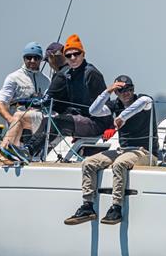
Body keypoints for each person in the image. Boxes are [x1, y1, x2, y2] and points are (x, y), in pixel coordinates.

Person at [64, 75, 158, 225]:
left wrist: (122, 117)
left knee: (119, 164)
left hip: (145, 152)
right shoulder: (115, 104)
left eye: (129, 89)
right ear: (116, 93)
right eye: (121, 90)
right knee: (89, 162)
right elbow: (93, 111)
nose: (126, 93)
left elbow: (145, 102)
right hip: (123, 150)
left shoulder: (143, 100)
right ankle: (88, 206)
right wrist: (107, 91)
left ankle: (116, 208)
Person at [11, 34, 110, 161]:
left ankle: (28, 151)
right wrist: (25, 103)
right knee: (48, 120)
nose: (73, 58)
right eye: (69, 55)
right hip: (77, 118)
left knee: (57, 121)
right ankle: (25, 150)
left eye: (76, 54)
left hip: (95, 122)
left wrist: (111, 126)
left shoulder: (91, 73)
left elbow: (106, 102)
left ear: (83, 54)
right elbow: (53, 102)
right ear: (65, 57)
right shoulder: (68, 74)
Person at [0, 42, 50, 151]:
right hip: (18, 126)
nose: (32, 60)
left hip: (39, 127)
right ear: (24, 58)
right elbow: (0, 103)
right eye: (29, 57)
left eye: (36, 58)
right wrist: (11, 119)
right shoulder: (13, 77)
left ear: (41, 59)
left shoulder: (46, 81)